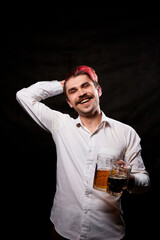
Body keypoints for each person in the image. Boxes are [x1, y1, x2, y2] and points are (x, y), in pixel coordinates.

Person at [16, 65, 150, 240]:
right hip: (64, 230)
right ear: (69, 103)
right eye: (73, 91)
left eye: (86, 86)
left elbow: (145, 182)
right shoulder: (61, 125)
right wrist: (63, 84)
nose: (81, 93)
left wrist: (130, 179)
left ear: (98, 90)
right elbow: (23, 95)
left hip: (107, 233)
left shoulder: (126, 133)